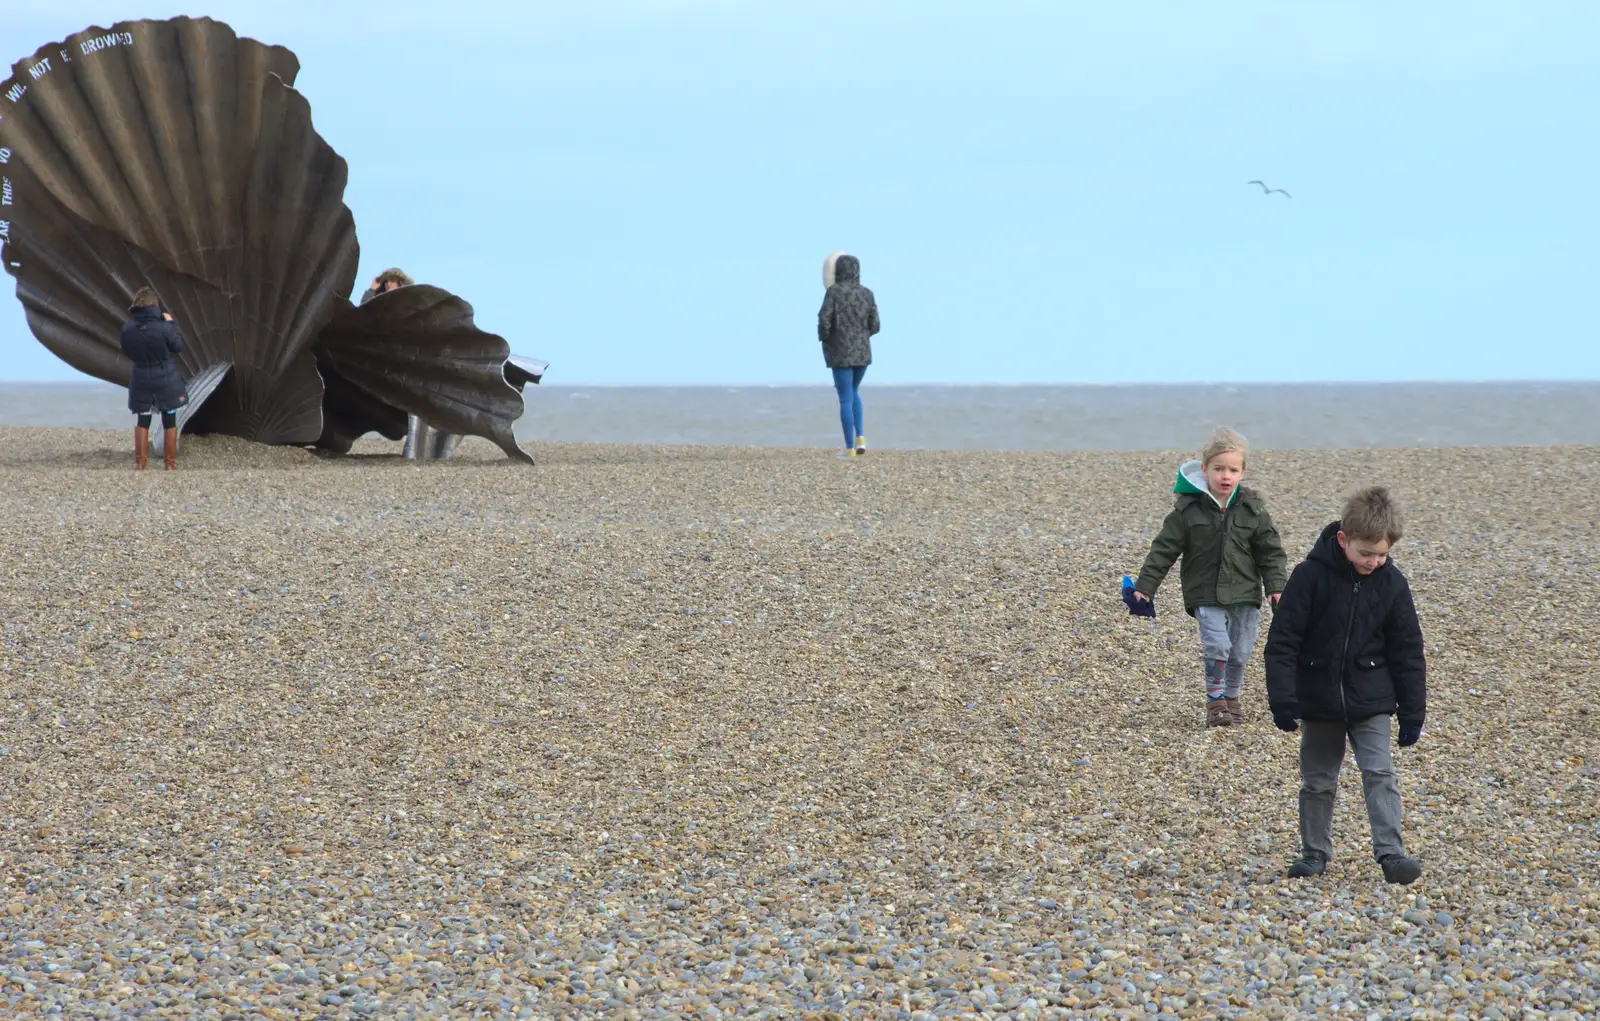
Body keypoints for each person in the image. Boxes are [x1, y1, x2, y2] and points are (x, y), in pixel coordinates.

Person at [1265, 486, 1427, 885]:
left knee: (1380, 774)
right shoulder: (1309, 577)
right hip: (1319, 701)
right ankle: (1314, 853)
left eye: (1381, 554)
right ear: (1343, 540)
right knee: (1318, 781)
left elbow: (1408, 652)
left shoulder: (1393, 584)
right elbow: (1282, 642)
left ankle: (1391, 854)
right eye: (1365, 553)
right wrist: (1282, 700)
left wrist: (1412, 712)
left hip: (1372, 699)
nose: (1373, 562)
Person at [1132, 426, 1288, 726]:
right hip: (1205, 592)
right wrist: (1145, 587)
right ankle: (1215, 700)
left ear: (1242, 473)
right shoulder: (1187, 511)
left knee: (1240, 652)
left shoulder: (1253, 510)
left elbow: (1271, 552)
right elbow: (1163, 550)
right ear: (1205, 470)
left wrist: (1276, 587)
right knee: (1218, 647)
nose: (1225, 476)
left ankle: (1231, 696)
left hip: (1245, 593)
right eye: (1218, 469)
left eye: (1233, 470)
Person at [817, 252, 879, 458]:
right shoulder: (867, 294)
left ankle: (849, 449)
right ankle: (860, 437)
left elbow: (824, 320)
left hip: (840, 352)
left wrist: (826, 338)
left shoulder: (834, 293)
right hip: (862, 352)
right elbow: (875, 325)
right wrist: (862, 336)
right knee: (854, 392)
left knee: (845, 398)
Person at [119, 286, 188, 470]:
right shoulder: (165, 328)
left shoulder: (127, 329)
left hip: (141, 378)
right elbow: (178, 347)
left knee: (143, 419)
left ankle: (141, 463)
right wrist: (171, 324)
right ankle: (170, 464)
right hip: (165, 378)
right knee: (169, 418)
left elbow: (126, 351)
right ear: (154, 306)